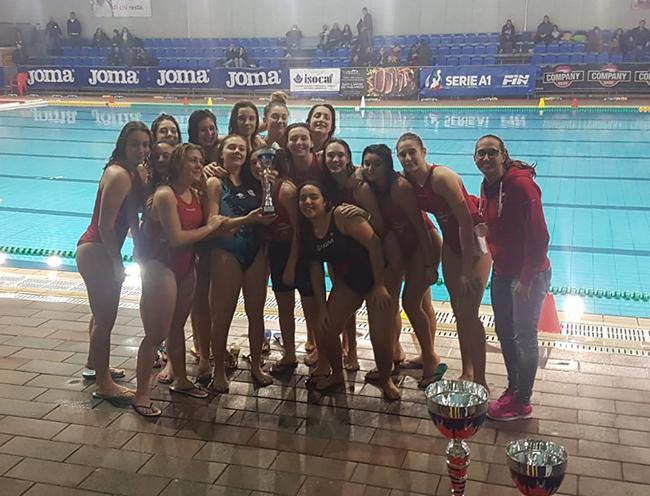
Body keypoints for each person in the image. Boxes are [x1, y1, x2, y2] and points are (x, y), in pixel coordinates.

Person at [134, 143, 225, 416]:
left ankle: (182, 380)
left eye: (200, 160)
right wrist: (210, 228)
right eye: (193, 161)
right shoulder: (165, 195)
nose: (199, 165)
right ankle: (141, 395)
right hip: (161, 265)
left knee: (177, 327)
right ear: (178, 165)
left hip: (185, 265)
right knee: (156, 333)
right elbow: (176, 238)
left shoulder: (193, 193)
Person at [397, 132, 490, 391]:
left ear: (423, 152)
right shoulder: (408, 181)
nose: (408, 158)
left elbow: (466, 223)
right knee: (458, 310)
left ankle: (481, 380)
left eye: (412, 152)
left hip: (475, 243)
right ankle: (467, 371)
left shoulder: (441, 178)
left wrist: (466, 269)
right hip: (451, 242)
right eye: (402, 154)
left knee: (469, 312)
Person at [473, 135, 551, 421]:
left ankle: (523, 401)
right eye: (481, 153)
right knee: (505, 332)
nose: (486, 158)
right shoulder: (488, 185)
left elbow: (540, 235)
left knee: (524, 337)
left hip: (528, 275)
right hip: (503, 271)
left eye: (492, 152)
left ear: (503, 155)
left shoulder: (521, 185)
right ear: (474, 158)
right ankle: (514, 388)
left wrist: (527, 278)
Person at [298, 181, 398, 400]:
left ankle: (386, 380)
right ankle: (336, 375)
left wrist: (380, 285)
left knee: (380, 337)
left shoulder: (341, 216)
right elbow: (316, 272)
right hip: (349, 282)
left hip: (377, 276)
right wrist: (322, 309)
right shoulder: (307, 230)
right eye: (303, 198)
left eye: (313, 196)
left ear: (325, 200)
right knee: (325, 329)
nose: (308, 202)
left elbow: (374, 244)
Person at [77, 121, 151, 401]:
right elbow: (105, 226)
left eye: (145, 145)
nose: (141, 150)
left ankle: (94, 364)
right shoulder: (120, 175)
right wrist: (116, 262)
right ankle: (103, 384)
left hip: (96, 249)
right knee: (105, 319)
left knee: (100, 315)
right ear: (123, 145)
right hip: (98, 250)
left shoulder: (125, 171)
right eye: (135, 144)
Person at [361, 144, 446, 388]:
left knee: (412, 302)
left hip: (422, 243)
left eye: (377, 164)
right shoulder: (369, 186)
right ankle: (396, 353)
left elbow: (420, 227)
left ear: (387, 165)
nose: (370, 169)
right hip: (399, 247)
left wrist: (429, 264)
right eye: (367, 164)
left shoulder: (399, 187)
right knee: (401, 303)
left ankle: (431, 358)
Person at [205, 135, 276, 393]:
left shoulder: (254, 182)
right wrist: (248, 219)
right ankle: (219, 370)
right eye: (231, 147)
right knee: (222, 315)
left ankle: (256, 366)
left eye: (242, 148)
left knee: (256, 313)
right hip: (226, 251)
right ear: (221, 152)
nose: (237, 151)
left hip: (255, 251)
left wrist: (268, 186)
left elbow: (266, 213)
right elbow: (213, 223)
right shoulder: (215, 182)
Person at [186, 109, 220, 380]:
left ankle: (213, 347)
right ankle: (202, 352)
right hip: (197, 237)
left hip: (217, 237)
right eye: (203, 129)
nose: (209, 133)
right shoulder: (189, 159)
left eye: (212, 128)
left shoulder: (222, 153)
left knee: (215, 300)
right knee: (198, 300)